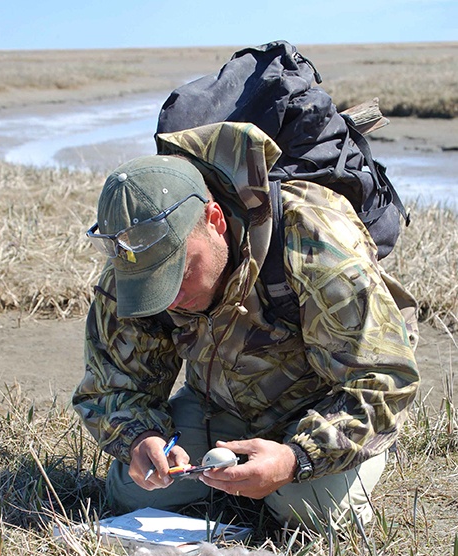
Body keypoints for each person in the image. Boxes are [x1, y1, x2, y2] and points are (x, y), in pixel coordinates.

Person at [73, 121, 420, 531]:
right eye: (153, 284)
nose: (167, 298)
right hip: (216, 405)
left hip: (323, 406)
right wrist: (139, 439)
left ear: (214, 219)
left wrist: (296, 458)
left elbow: (383, 379)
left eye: (180, 273)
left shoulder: (313, 237)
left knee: (312, 513)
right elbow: (112, 388)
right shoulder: (133, 264)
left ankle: (352, 459)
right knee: (134, 494)